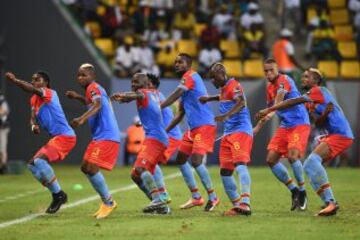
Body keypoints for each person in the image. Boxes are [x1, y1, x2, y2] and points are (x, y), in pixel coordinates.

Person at [256, 68, 354, 216]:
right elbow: (318, 123)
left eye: (307, 77)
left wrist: (271, 109)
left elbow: (294, 101)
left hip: (341, 134)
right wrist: (326, 114)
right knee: (308, 165)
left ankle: (331, 201)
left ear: (316, 80)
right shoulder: (311, 102)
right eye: (303, 77)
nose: (303, 79)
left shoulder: (318, 91)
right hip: (334, 134)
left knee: (312, 161)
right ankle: (328, 203)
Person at [5, 71, 76, 213]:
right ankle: (57, 194)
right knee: (32, 165)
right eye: (32, 79)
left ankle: (58, 195)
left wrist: (15, 81)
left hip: (65, 137)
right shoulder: (33, 99)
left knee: (39, 161)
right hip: (56, 138)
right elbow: (32, 118)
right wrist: (33, 126)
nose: (33, 81)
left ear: (46, 83)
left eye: (37, 79)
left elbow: (30, 88)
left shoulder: (49, 93)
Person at [161, 53, 220, 212]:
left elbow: (175, 95)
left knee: (196, 161)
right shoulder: (186, 88)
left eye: (180, 62)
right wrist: (165, 131)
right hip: (193, 129)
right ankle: (196, 197)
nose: (176, 64)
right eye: (175, 62)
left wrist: (158, 107)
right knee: (180, 159)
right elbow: (179, 114)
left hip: (204, 126)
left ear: (188, 64)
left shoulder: (191, 76)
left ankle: (213, 197)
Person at [65, 63, 120, 219]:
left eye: (84, 75)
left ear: (92, 76)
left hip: (107, 136)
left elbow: (97, 104)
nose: (81, 78)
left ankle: (108, 202)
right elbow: (91, 101)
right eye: (79, 75)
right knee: (85, 167)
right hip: (99, 136)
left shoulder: (93, 87)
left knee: (92, 167)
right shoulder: (93, 90)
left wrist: (81, 119)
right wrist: (78, 98)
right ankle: (106, 202)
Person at [255, 58, 310, 211]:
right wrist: (257, 127)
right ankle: (294, 191)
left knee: (292, 157)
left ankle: (303, 192)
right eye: (265, 71)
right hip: (285, 125)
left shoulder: (283, 80)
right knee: (271, 160)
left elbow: (276, 104)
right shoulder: (268, 87)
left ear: (277, 69)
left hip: (299, 123)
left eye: (271, 70)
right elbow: (270, 110)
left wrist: (267, 111)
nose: (268, 73)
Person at [111, 73, 170, 214]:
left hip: (155, 138)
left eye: (136, 82)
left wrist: (124, 95)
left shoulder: (142, 92)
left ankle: (158, 198)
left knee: (140, 169)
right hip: (157, 138)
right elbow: (135, 97)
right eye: (132, 82)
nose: (133, 84)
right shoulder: (154, 93)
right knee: (135, 175)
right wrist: (125, 98)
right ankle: (160, 206)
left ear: (145, 83)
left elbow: (136, 95)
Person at [199, 63, 252, 216]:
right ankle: (237, 207)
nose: (213, 82)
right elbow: (222, 96)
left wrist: (226, 115)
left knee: (240, 164)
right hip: (228, 133)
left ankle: (245, 203)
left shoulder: (234, 85)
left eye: (214, 78)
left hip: (240, 131)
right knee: (225, 172)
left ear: (222, 74)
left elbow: (242, 102)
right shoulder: (223, 89)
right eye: (211, 79)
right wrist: (209, 98)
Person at [148, 73, 182, 203]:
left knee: (151, 162)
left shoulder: (155, 95)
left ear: (153, 85)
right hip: (166, 135)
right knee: (150, 163)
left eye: (146, 82)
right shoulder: (155, 96)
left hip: (170, 136)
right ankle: (161, 194)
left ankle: (163, 194)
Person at [0, 91, 10, 174]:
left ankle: (3, 166)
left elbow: (5, 111)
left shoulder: (1, 100)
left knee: (2, 149)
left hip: (2, 128)